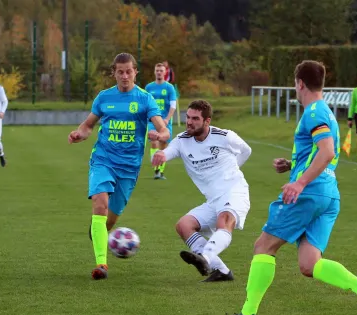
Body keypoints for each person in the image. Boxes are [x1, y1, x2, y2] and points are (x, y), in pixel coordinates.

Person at [215, 60, 357, 315]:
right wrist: (293, 167)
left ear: (300, 84)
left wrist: (300, 182)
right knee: (309, 264)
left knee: (263, 247)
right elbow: (321, 153)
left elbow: (327, 151)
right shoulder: (325, 112)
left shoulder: (314, 112)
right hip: (329, 195)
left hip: (309, 194)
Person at [68, 53, 170, 280]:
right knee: (100, 204)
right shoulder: (104, 98)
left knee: (110, 220)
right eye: (120, 72)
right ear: (113, 73)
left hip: (129, 167)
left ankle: (99, 229)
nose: (124, 76)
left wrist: (159, 133)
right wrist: (79, 134)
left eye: (129, 71)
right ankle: (101, 265)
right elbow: (87, 125)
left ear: (135, 72)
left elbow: (165, 130)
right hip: (103, 158)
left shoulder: (145, 99)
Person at [152, 100, 252, 282]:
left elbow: (246, 150)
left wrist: (233, 171)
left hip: (235, 191)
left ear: (207, 121)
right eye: (188, 117)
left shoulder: (224, 136)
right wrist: (161, 155)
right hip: (213, 199)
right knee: (184, 225)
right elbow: (170, 151)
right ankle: (221, 271)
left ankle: (205, 258)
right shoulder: (182, 140)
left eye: (195, 119)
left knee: (225, 220)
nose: (189, 122)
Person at [145, 63, 177, 179]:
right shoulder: (149, 87)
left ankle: (160, 171)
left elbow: (173, 105)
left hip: (165, 121)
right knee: (154, 142)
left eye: (161, 70)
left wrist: (167, 119)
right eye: (157, 70)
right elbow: (145, 104)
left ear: (165, 72)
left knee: (163, 145)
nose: (159, 72)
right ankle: (156, 170)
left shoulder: (169, 88)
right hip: (152, 121)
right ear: (154, 72)